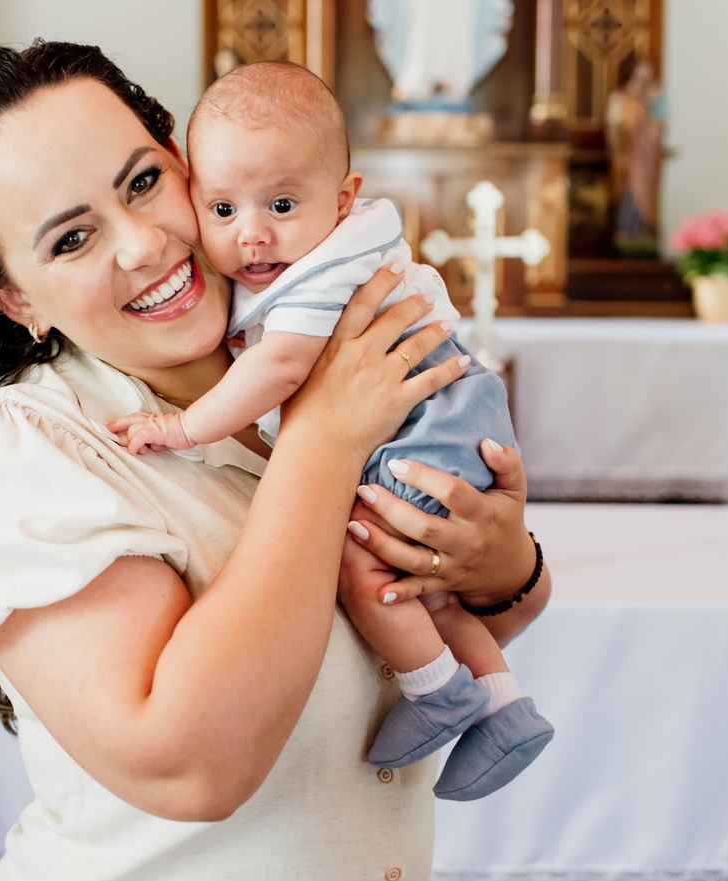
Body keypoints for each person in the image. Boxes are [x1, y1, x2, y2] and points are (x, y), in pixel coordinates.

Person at [0, 40, 551, 881]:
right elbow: (192, 766)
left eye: (144, 182)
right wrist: (325, 440)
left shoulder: (322, 355)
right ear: (15, 299)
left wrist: (505, 569)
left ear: (186, 157)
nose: (145, 244)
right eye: (72, 238)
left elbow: (416, 631)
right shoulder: (21, 450)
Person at [113, 62, 552, 802]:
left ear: (343, 199)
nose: (253, 234)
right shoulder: (334, 245)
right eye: (223, 209)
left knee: (362, 563)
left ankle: (437, 691)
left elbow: (280, 366)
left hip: (423, 433)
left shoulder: (322, 273)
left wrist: (180, 425)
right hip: (447, 423)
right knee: (432, 598)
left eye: (282, 204)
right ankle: (504, 707)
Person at [606, 58, 667, 255]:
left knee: (646, 194)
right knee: (629, 192)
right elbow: (615, 128)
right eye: (638, 76)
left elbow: (658, 126)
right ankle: (626, 232)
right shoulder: (621, 98)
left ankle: (644, 233)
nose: (642, 82)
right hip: (629, 155)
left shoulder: (655, 96)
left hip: (647, 157)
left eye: (647, 77)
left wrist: (649, 104)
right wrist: (620, 152)